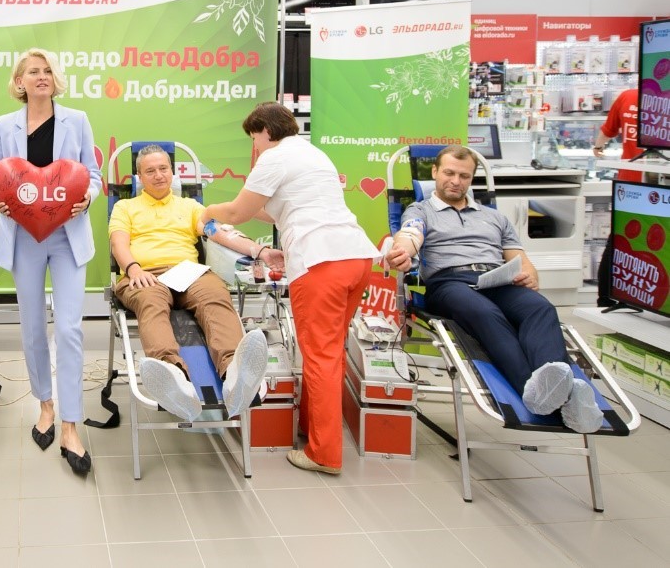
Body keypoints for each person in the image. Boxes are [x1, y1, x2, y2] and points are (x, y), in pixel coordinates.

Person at [205, 102, 377, 475]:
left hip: (321, 261)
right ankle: (309, 429)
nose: (255, 147)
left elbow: (238, 214)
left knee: (320, 356)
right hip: (357, 257)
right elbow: (274, 209)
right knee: (328, 351)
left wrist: (206, 211)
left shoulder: (274, 157)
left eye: (254, 138)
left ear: (264, 131)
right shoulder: (314, 154)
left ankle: (324, 454)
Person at [385, 144, 603, 433]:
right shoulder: (421, 209)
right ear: (435, 173)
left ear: (471, 178)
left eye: (464, 176)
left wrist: (529, 274)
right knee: (485, 312)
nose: (455, 181)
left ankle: (562, 390)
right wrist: (401, 250)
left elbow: (521, 261)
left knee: (540, 308)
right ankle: (535, 391)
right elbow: (410, 234)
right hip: (449, 284)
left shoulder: (494, 217)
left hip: (496, 280)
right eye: (449, 173)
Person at [0, 48, 101, 476]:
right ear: (19, 81)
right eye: (33, 71)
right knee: (33, 325)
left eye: (48, 70)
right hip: (23, 237)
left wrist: (86, 197)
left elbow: (92, 174)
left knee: (69, 329)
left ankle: (71, 424)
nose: (41, 76)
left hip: (67, 236)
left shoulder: (77, 119)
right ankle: (46, 404)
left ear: (57, 78)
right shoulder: (4, 125)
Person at [109, 145, 270, 421]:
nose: (159, 175)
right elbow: (118, 242)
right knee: (151, 301)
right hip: (145, 273)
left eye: (163, 169)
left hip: (188, 272)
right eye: (150, 171)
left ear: (172, 172)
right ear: (139, 177)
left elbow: (218, 233)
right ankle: (172, 376)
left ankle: (235, 374)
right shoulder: (126, 207)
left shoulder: (190, 206)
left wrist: (259, 251)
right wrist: (133, 268)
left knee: (215, 294)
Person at [594, 87, 643, 183]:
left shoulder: (627, 96)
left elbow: (608, 129)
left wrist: (598, 147)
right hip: (661, 174)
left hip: (630, 175)